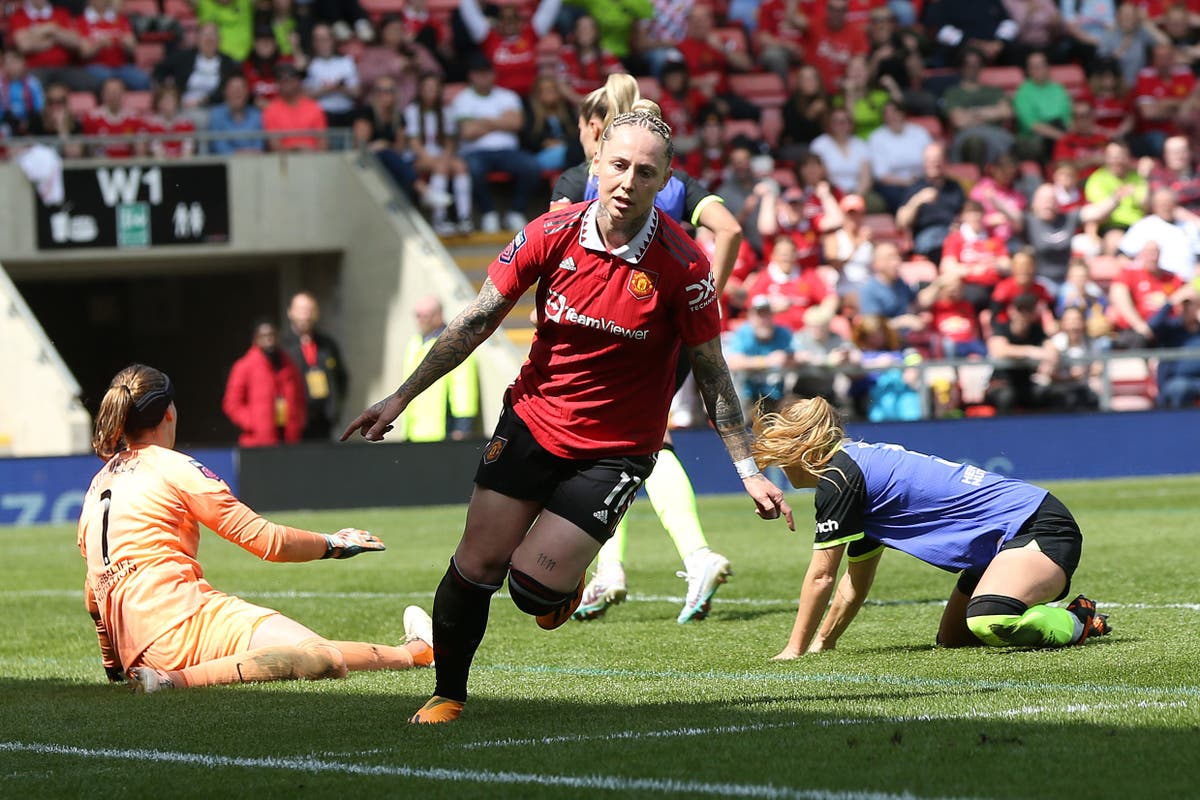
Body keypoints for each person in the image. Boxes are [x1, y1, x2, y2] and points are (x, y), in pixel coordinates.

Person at [341, 102, 793, 724]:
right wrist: (400, 396)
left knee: (532, 592)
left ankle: (560, 581)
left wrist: (749, 470)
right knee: (476, 565)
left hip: (616, 450)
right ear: (596, 163)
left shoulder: (685, 266)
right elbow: (475, 321)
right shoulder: (548, 234)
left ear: (665, 182)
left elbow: (712, 372)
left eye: (644, 172)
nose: (627, 182)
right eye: (618, 165)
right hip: (532, 424)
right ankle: (448, 693)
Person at [79, 364, 434, 692]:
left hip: (139, 654)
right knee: (323, 657)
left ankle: (419, 652)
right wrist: (335, 543)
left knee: (315, 650)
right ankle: (175, 681)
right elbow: (267, 541)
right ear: (170, 413)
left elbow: (94, 596)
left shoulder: (96, 487)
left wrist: (113, 665)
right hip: (185, 625)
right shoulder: (174, 467)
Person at [549, 74, 747, 624]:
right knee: (620, 444)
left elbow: (552, 239)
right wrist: (707, 298)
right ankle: (611, 568)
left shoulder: (578, 178)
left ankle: (692, 556)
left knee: (634, 442)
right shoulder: (672, 179)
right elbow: (728, 229)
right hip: (667, 325)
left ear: (594, 127)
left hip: (615, 327)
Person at [751, 396, 1110, 659]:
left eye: (779, 455)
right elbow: (853, 581)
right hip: (1001, 547)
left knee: (990, 619)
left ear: (801, 449)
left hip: (1038, 526)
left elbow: (821, 577)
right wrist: (823, 643)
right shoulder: (852, 470)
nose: (777, 467)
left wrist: (793, 651)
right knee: (956, 638)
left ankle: (1076, 619)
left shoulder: (840, 478)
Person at [448, 54, 542, 234]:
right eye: (479, 73)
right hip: (476, 152)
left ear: (493, 74)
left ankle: (516, 212)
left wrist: (481, 122)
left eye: (486, 73)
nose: (483, 77)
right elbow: (468, 132)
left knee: (532, 165)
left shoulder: (507, 96)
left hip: (508, 151)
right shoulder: (463, 99)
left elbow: (516, 124)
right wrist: (500, 121)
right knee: (472, 168)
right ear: (471, 76)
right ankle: (488, 213)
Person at [399, 295, 479, 442]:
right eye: (417, 315)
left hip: (442, 431)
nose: (420, 320)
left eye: (425, 316)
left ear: (438, 316)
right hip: (413, 432)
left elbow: (464, 388)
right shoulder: (414, 343)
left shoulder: (454, 344)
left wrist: (462, 427)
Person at [405, 71, 472, 235]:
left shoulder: (446, 111)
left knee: (460, 167)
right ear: (420, 90)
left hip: (441, 157)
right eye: (427, 88)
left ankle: (464, 217)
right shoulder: (411, 110)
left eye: (434, 88)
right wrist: (432, 160)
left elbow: (450, 142)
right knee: (441, 168)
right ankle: (439, 219)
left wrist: (445, 158)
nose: (431, 92)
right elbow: (413, 143)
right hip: (419, 158)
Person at [223, 319, 307, 446]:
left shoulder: (289, 365)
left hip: (289, 440)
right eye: (264, 336)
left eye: (272, 335)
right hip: (258, 442)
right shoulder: (244, 366)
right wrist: (252, 422)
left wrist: (298, 420)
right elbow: (232, 404)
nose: (269, 340)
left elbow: (300, 397)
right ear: (255, 339)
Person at [280, 291, 349, 441]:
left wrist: (335, 407)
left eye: (309, 310)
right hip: (294, 425)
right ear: (290, 312)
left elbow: (341, 378)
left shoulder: (328, 345)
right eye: (301, 310)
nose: (305, 316)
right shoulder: (282, 348)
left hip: (325, 422)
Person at [724, 294, 795, 415]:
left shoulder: (783, 333)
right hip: (749, 396)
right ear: (751, 316)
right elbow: (732, 362)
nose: (763, 320)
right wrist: (766, 361)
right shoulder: (743, 333)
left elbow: (799, 355)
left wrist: (787, 358)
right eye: (759, 315)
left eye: (766, 314)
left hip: (777, 395)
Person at [262, 62, 327, 151]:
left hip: (313, 160)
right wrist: (296, 150)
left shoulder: (314, 107)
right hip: (283, 162)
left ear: (298, 81)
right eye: (281, 79)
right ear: (277, 83)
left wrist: (310, 153)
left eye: (290, 78)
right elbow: (274, 147)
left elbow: (323, 144)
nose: (286, 82)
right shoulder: (271, 110)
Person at [206, 74, 265, 154]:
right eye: (233, 89)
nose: (237, 92)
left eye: (241, 88)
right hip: (223, 165)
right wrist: (240, 154)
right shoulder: (215, 115)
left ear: (247, 92)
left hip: (254, 163)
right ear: (225, 91)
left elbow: (259, 146)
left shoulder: (257, 116)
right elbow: (219, 148)